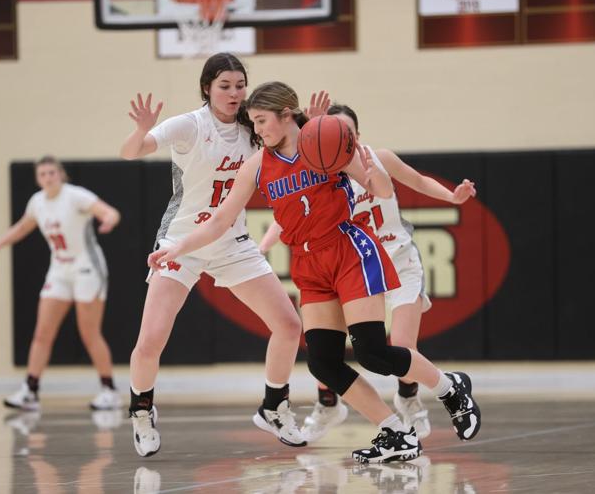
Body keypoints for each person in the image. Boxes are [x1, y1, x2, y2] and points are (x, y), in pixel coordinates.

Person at [150, 81, 481, 463]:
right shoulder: (258, 164)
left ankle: (450, 387)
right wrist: (177, 246)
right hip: (308, 264)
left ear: (286, 114)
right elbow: (221, 219)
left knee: (372, 352)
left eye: (261, 121)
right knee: (323, 361)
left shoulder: (322, 139)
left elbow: (381, 189)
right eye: (253, 123)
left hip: (347, 250)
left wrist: (365, 165)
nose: (257, 131)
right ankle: (395, 429)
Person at [119, 53, 309, 457]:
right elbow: (131, 152)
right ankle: (140, 410)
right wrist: (140, 130)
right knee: (151, 339)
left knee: (289, 325)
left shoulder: (253, 127)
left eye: (240, 85)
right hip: (182, 241)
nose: (234, 93)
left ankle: (275, 406)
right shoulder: (190, 124)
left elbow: (295, 136)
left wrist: (314, 127)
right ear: (207, 87)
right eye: (225, 85)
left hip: (230, 240)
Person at [259, 104, 477, 442]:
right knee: (326, 350)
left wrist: (451, 195)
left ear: (355, 136)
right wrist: (261, 249)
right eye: (329, 132)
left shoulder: (376, 158)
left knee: (398, 346)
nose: (335, 140)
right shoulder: (323, 166)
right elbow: (287, 213)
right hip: (351, 261)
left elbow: (415, 181)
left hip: (396, 257)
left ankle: (413, 398)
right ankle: (331, 404)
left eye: (342, 134)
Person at [0, 155, 122, 411]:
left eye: (52, 173)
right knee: (42, 332)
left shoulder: (75, 195)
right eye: (43, 174)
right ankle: (31, 391)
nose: (48, 178)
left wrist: (109, 219)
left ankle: (109, 390)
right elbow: (23, 227)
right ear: (38, 179)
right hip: (59, 269)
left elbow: (109, 211)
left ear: (61, 175)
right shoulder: (37, 202)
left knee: (89, 332)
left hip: (87, 267)